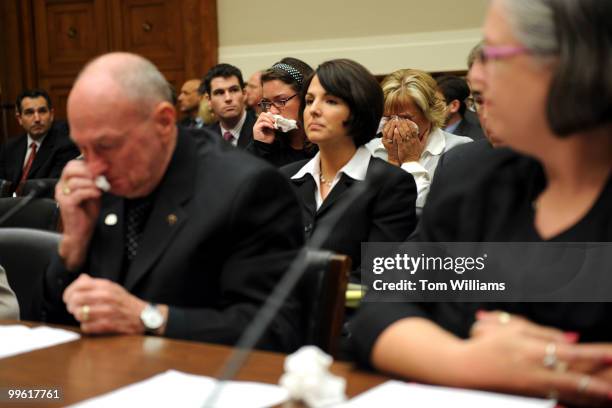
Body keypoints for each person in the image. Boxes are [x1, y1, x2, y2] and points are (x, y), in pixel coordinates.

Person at [350, 0, 612, 405]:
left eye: (492, 53)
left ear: (568, 65)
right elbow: (381, 305)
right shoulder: (476, 179)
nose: (475, 74)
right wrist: (466, 361)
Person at [42, 52, 305, 352]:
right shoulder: (101, 183)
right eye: (83, 149)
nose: (93, 166)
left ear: (164, 122)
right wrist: (72, 247)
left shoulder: (247, 188)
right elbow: (55, 320)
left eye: (106, 146)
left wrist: (151, 318)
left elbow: (276, 330)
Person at [281, 59, 417, 282]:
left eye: (331, 101)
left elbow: (376, 277)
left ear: (358, 111)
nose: (313, 110)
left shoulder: (390, 185)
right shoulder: (285, 179)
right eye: (309, 100)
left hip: (348, 313)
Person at [365, 69, 472, 209]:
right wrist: (392, 162)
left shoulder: (460, 150)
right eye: (389, 118)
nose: (396, 126)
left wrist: (411, 161)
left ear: (430, 114)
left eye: (406, 118)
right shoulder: (370, 150)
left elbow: (422, 212)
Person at [0, 89, 79, 195]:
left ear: (51, 114)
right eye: (29, 112)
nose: (37, 118)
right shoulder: (9, 147)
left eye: (42, 111)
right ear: (19, 118)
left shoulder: (66, 145)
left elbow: (51, 188)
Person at [247, 58, 317, 167]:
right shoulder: (268, 141)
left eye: (280, 101)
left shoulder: (324, 143)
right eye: (267, 102)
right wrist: (260, 146)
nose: (272, 111)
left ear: (305, 98)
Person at [201, 64, 256, 148]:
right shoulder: (205, 138)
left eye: (234, 90)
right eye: (219, 92)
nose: (228, 98)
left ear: (244, 94)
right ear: (209, 100)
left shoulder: (262, 132)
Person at [437, 75, 485, 141]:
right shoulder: (429, 133)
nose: (430, 107)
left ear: (454, 106)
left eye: (436, 102)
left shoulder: (476, 138)